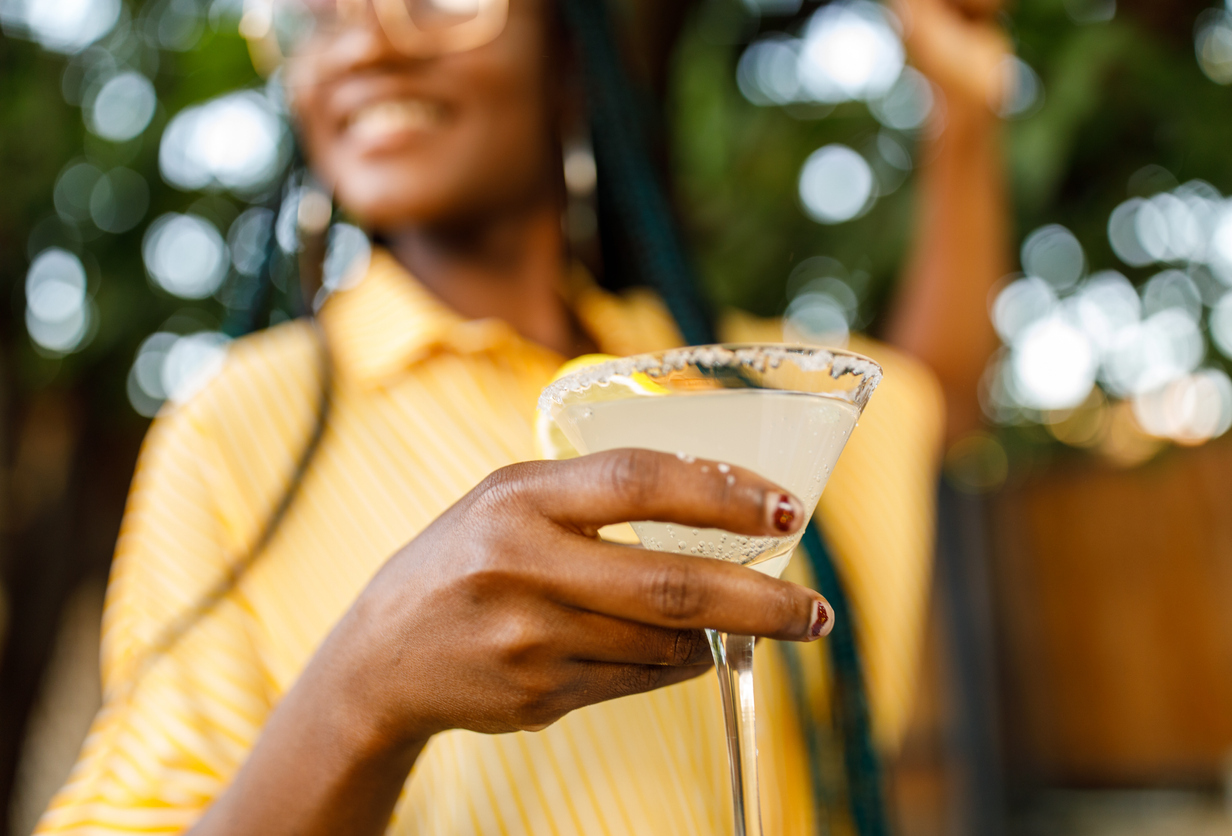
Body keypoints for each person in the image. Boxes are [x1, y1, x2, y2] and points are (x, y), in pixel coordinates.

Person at [36, 0, 1009, 832]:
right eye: (315, 16)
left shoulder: (719, 380)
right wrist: (368, 688)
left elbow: (925, 399)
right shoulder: (238, 423)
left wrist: (963, 110)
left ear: (569, 52)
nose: (367, 42)